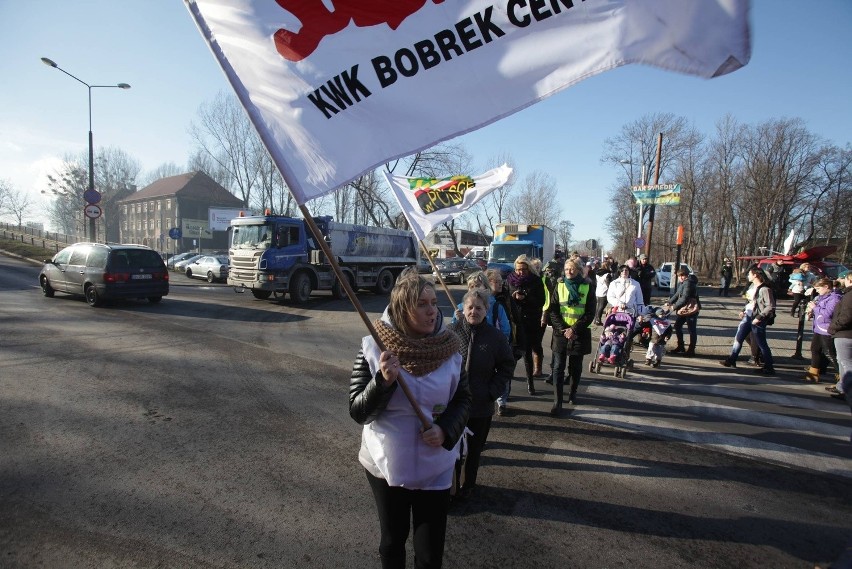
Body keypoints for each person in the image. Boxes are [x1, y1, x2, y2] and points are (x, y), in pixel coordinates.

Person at [348, 268, 471, 568]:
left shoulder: (451, 347)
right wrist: (382, 382)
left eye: (434, 303)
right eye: (422, 304)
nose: (433, 311)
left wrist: (445, 431)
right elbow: (358, 410)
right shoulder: (373, 347)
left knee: (430, 555)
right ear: (403, 309)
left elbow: (464, 399)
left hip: (436, 468)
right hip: (385, 467)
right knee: (392, 542)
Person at [448, 288, 514, 500]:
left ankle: (469, 487)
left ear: (486, 309)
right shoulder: (451, 333)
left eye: (479, 307)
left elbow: (507, 365)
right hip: (453, 405)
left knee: (474, 451)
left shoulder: (495, 337)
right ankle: (452, 489)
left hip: (481, 405)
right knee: (452, 451)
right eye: (470, 307)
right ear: (463, 309)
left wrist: (492, 391)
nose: (474, 311)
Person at [547, 258, 595, 415]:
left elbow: (590, 313)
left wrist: (574, 330)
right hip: (561, 333)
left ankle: (573, 393)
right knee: (557, 367)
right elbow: (553, 310)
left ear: (579, 270)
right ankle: (557, 401)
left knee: (575, 367)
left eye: (572, 269)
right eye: (567, 269)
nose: (569, 271)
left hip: (579, 333)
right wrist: (563, 328)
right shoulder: (559, 285)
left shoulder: (588, 286)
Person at [720, 267, 776, 375]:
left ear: (755, 275)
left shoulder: (765, 289)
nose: (748, 276)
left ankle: (769, 367)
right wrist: (743, 310)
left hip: (758, 320)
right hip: (748, 317)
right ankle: (732, 360)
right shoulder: (751, 286)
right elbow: (749, 301)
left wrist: (759, 318)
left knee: (762, 344)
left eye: (749, 274)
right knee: (738, 338)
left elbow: (770, 306)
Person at [506, 255, 546, 396]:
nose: (521, 272)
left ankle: (531, 383)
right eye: (518, 269)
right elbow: (506, 299)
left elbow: (541, 300)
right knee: (512, 353)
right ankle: (507, 385)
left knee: (527, 353)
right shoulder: (510, 280)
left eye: (523, 269)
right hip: (514, 321)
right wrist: (514, 296)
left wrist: (526, 297)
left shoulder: (535, 281)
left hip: (530, 321)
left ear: (528, 268)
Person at [490, 269, 524, 416]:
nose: (499, 284)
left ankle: (502, 402)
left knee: (504, 373)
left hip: (505, 341)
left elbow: (516, 321)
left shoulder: (506, 298)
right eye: (495, 281)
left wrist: (519, 343)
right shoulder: (481, 299)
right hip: (486, 343)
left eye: (500, 281)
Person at [451, 271, 510, 340]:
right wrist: (456, 319)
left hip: (490, 345)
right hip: (466, 346)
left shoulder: (496, 307)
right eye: (471, 286)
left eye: (477, 285)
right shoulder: (461, 307)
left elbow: (505, 331)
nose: (474, 288)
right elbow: (453, 331)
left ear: (486, 287)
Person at [803, 278, 841, 382]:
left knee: (829, 353)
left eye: (819, 288)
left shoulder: (835, 298)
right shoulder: (821, 297)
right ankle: (813, 373)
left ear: (826, 287)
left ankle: (842, 375)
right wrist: (812, 312)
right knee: (815, 349)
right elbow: (820, 311)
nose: (817, 291)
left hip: (826, 329)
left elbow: (828, 313)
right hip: (818, 328)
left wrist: (815, 308)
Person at [828, 269, 852, 426]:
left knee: (846, 363)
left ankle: (847, 390)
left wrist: (834, 327)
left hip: (845, 334)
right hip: (844, 333)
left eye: (845, 278)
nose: (842, 280)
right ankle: (843, 388)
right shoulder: (847, 294)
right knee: (843, 362)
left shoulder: (849, 296)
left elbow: (846, 316)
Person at [665, 266, 700, 356]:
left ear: (686, 275)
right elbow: (677, 294)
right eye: (679, 276)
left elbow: (684, 298)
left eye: (682, 276)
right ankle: (681, 346)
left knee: (691, 329)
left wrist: (674, 306)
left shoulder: (688, 283)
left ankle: (691, 350)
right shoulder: (683, 283)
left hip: (691, 310)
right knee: (677, 326)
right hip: (684, 309)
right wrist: (669, 302)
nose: (680, 277)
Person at [593, 259, 614, 326]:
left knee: (598, 307)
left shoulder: (598, 273)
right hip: (604, 293)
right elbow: (609, 284)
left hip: (598, 292)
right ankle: (598, 320)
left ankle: (595, 319)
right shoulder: (607, 274)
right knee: (601, 307)